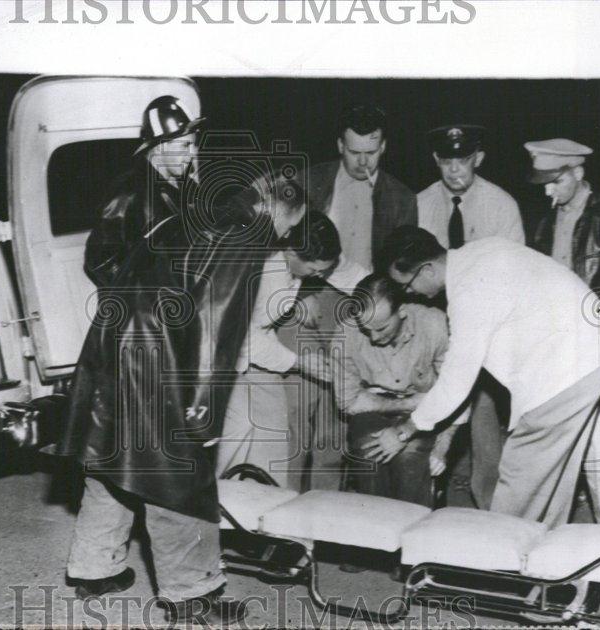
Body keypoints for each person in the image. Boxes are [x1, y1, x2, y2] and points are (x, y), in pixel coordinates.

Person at [58, 95, 257, 626]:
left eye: (193, 142)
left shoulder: (177, 189)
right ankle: (190, 593)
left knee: (116, 453)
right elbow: (102, 260)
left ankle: (94, 567)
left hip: (131, 341)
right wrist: (142, 293)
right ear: (157, 146)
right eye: (183, 143)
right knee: (171, 464)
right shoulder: (134, 193)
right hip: (146, 342)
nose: (192, 152)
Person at [385, 227, 600, 528]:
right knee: (552, 482)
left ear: (427, 269)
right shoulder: (483, 247)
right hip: (595, 345)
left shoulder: (467, 294)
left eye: (407, 285)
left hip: (565, 370)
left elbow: (457, 381)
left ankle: (499, 566)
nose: (410, 293)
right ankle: (550, 566)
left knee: (518, 483)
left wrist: (406, 429)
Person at [526, 138, 600, 524]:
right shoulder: (546, 221)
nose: (547, 190)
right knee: (559, 445)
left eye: (554, 181)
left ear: (577, 172)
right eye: (542, 182)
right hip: (557, 353)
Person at [217, 210, 367, 490]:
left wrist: (384, 295)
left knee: (276, 430)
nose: (321, 276)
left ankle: (267, 508)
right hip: (228, 354)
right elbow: (245, 339)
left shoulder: (313, 252)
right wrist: (299, 362)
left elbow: (352, 275)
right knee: (236, 434)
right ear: (291, 254)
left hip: (260, 351)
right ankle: (219, 502)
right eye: (314, 271)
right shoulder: (261, 271)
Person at [416, 124, 524, 510]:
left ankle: (489, 505)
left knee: (482, 415)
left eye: (462, 161)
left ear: (478, 158)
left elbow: (514, 275)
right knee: (432, 401)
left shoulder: (501, 205)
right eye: (446, 161)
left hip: (484, 326)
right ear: (436, 160)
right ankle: (423, 498)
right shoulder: (421, 203)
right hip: (433, 322)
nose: (455, 171)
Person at [335, 273, 463, 507]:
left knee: (410, 453)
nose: (373, 337)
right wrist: (407, 403)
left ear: (402, 311)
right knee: (369, 449)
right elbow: (348, 401)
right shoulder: (346, 335)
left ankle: (410, 533)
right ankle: (375, 535)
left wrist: (442, 448)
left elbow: (458, 393)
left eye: (381, 328)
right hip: (385, 408)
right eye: (366, 329)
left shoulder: (434, 325)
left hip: (427, 413)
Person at [303, 103, 417, 273]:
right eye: (354, 152)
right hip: (313, 288)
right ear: (341, 145)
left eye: (371, 153)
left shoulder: (402, 199)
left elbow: (404, 263)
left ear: (383, 146)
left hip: (370, 292)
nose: (363, 162)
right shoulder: (309, 181)